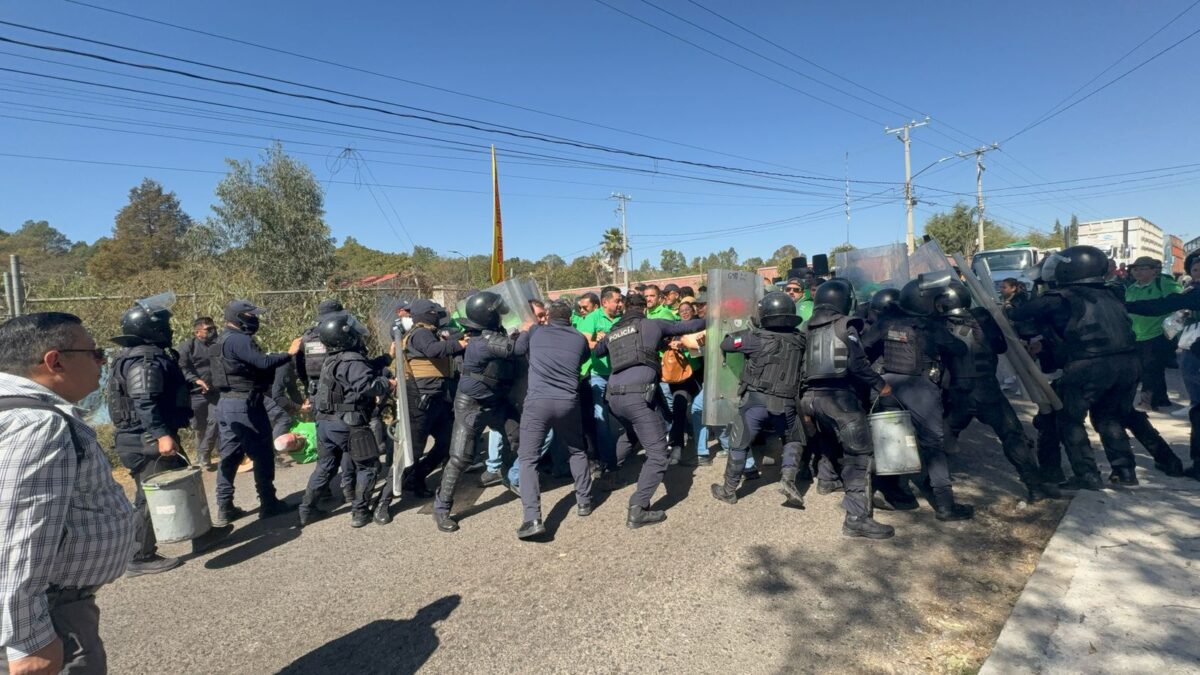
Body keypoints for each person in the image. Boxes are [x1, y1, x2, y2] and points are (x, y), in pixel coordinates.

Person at [0, 312, 136, 674]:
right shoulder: (39, 426)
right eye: (93, 352)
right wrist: (30, 640)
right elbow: (19, 537)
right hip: (50, 614)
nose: (102, 361)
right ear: (55, 360)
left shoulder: (12, 413)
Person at [1010, 246, 1140, 488]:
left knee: (1069, 420)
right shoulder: (1111, 292)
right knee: (1109, 417)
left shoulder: (1061, 296)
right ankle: (1125, 472)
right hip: (1128, 363)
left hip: (1090, 365)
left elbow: (1021, 314)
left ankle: (1087, 475)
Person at [935, 281, 1062, 501]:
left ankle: (932, 487)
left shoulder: (937, 324)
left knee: (940, 436)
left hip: (958, 391)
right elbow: (1001, 347)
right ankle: (1035, 486)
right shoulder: (983, 318)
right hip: (987, 388)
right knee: (1012, 436)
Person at [864, 275, 973, 520]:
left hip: (889, 385)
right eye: (935, 301)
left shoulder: (888, 321)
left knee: (890, 440)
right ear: (923, 302)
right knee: (934, 444)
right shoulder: (929, 326)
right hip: (920, 388)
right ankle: (945, 506)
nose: (937, 305)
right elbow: (959, 348)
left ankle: (883, 492)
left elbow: (863, 346)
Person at [593, 293, 705, 528]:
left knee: (632, 434)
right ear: (643, 308)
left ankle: (608, 472)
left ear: (625, 309)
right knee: (657, 453)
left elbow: (598, 352)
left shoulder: (614, 330)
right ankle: (638, 507)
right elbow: (688, 325)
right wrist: (713, 318)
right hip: (637, 395)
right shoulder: (652, 324)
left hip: (614, 396)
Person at [799, 279, 896, 539]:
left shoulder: (806, 327)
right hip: (840, 399)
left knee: (828, 439)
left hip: (810, 397)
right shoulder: (846, 325)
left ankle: (827, 480)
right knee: (859, 456)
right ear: (842, 300)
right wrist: (880, 384)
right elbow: (858, 364)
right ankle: (857, 518)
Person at [107, 295, 193, 576]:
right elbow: (144, 400)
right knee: (151, 497)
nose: (168, 330)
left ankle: (200, 531)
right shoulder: (145, 359)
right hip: (146, 438)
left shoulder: (146, 356)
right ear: (151, 328)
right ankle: (139, 556)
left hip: (151, 435)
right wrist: (161, 435)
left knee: (183, 481)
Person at [433, 292, 525, 533]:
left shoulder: (490, 336)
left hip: (496, 402)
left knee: (517, 436)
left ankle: (506, 475)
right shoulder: (483, 342)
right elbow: (516, 348)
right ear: (488, 315)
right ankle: (442, 507)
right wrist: (531, 329)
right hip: (471, 404)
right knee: (460, 457)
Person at [710, 291, 807, 508]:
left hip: (756, 401)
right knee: (793, 440)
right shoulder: (800, 339)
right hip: (787, 403)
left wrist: (750, 328)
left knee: (739, 443)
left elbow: (727, 344)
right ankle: (788, 480)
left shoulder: (753, 338)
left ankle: (728, 491)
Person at [210, 299, 302, 526]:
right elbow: (262, 362)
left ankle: (225, 506)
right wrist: (288, 354)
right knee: (262, 452)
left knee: (230, 456)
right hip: (244, 404)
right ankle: (268, 503)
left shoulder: (221, 340)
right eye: (251, 316)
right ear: (239, 317)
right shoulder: (239, 340)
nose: (255, 320)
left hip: (226, 403)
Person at [373, 299, 466, 524]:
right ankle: (382, 503)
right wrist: (462, 345)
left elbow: (443, 341)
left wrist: (459, 338)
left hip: (437, 401)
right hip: (420, 402)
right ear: (429, 314)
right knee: (410, 453)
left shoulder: (428, 332)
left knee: (447, 444)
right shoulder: (421, 334)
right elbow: (435, 350)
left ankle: (417, 478)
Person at [300, 312, 395, 528]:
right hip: (349, 423)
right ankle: (360, 512)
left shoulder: (332, 358)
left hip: (325, 422)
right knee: (369, 466)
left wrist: (384, 359)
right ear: (345, 336)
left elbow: (362, 370)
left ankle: (307, 510)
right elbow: (366, 386)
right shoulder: (352, 359)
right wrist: (387, 383)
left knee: (325, 466)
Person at [513, 301, 595, 539]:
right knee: (577, 450)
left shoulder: (537, 331)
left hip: (538, 403)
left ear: (548, 316)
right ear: (570, 317)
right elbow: (582, 359)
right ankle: (584, 502)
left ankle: (533, 519)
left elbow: (518, 350)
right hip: (568, 402)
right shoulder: (579, 338)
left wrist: (527, 329)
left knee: (528, 459)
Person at [1125, 249, 1200, 480]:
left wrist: (1119, 303)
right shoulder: (1192, 291)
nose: (1198, 273)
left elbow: (1160, 306)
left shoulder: (1186, 291)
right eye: (1195, 269)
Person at [576, 286, 624, 475]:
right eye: (617, 300)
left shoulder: (623, 318)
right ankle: (607, 462)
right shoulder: (592, 319)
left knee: (625, 414)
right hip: (598, 375)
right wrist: (602, 342)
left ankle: (625, 450)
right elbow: (584, 343)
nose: (620, 304)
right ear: (605, 302)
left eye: (621, 301)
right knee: (601, 419)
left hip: (621, 372)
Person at [1125, 256, 1181, 411]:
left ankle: (1146, 402)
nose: (1137, 272)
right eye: (1135, 268)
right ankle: (1161, 399)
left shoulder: (1164, 283)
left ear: (1154, 270)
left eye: (1143, 268)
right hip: (1136, 335)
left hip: (1157, 335)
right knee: (1153, 370)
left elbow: (1180, 300)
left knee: (1150, 370)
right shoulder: (1131, 288)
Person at [177, 316, 220, 469]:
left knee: (216, 420)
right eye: (208, 329)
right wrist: (196, 380)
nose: (212, 331)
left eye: (213, 328)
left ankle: (204, 452)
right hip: (195, 394)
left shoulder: (219, 343)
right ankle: (203, 456)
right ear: (197, 332)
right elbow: (182, 368)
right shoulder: (187, 347)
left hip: (215, 392)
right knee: (199, 427)